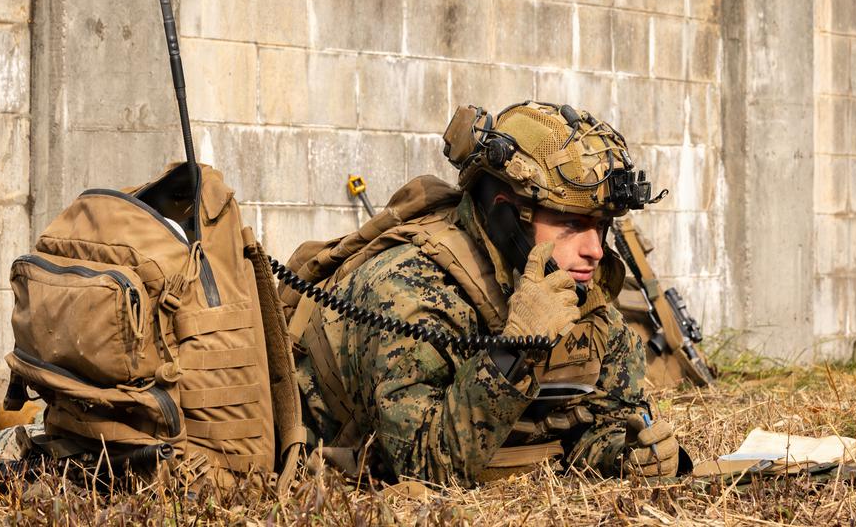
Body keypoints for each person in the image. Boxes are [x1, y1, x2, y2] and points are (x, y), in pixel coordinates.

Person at [284, 101, 682, 486]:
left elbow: (597, 423)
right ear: (506, 216)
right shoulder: (408, 289)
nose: (594, 250)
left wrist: (627, 454)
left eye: (601, 226)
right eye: (572, 225)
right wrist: (514, 350)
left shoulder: (580, 293)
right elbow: (424, 467)